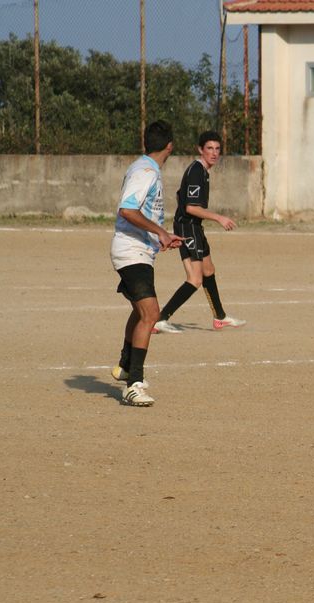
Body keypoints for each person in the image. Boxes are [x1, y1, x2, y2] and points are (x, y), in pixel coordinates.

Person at [109, 120, 183, 406]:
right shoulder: (146, 171)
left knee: (140, 311)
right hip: (131, 251)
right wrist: (160, 232)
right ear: (170, 146)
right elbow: (128, 210)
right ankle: (134, 384)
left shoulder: (144, 167)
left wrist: (160, 236)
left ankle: (126, 366)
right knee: (151, 314)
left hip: (139, 250)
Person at [153, 130, 246, 333]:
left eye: (217, 149)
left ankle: (220, 317)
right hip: (188, 227)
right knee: (195, 279)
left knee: (208, 270)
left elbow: (180, 195)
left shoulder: (201, 171)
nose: (214, 153)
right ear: (200, 150)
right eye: (209, 148)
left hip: (194, 226)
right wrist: (219, 218)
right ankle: (160, 319)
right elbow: (191, 207)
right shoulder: (196, 171)